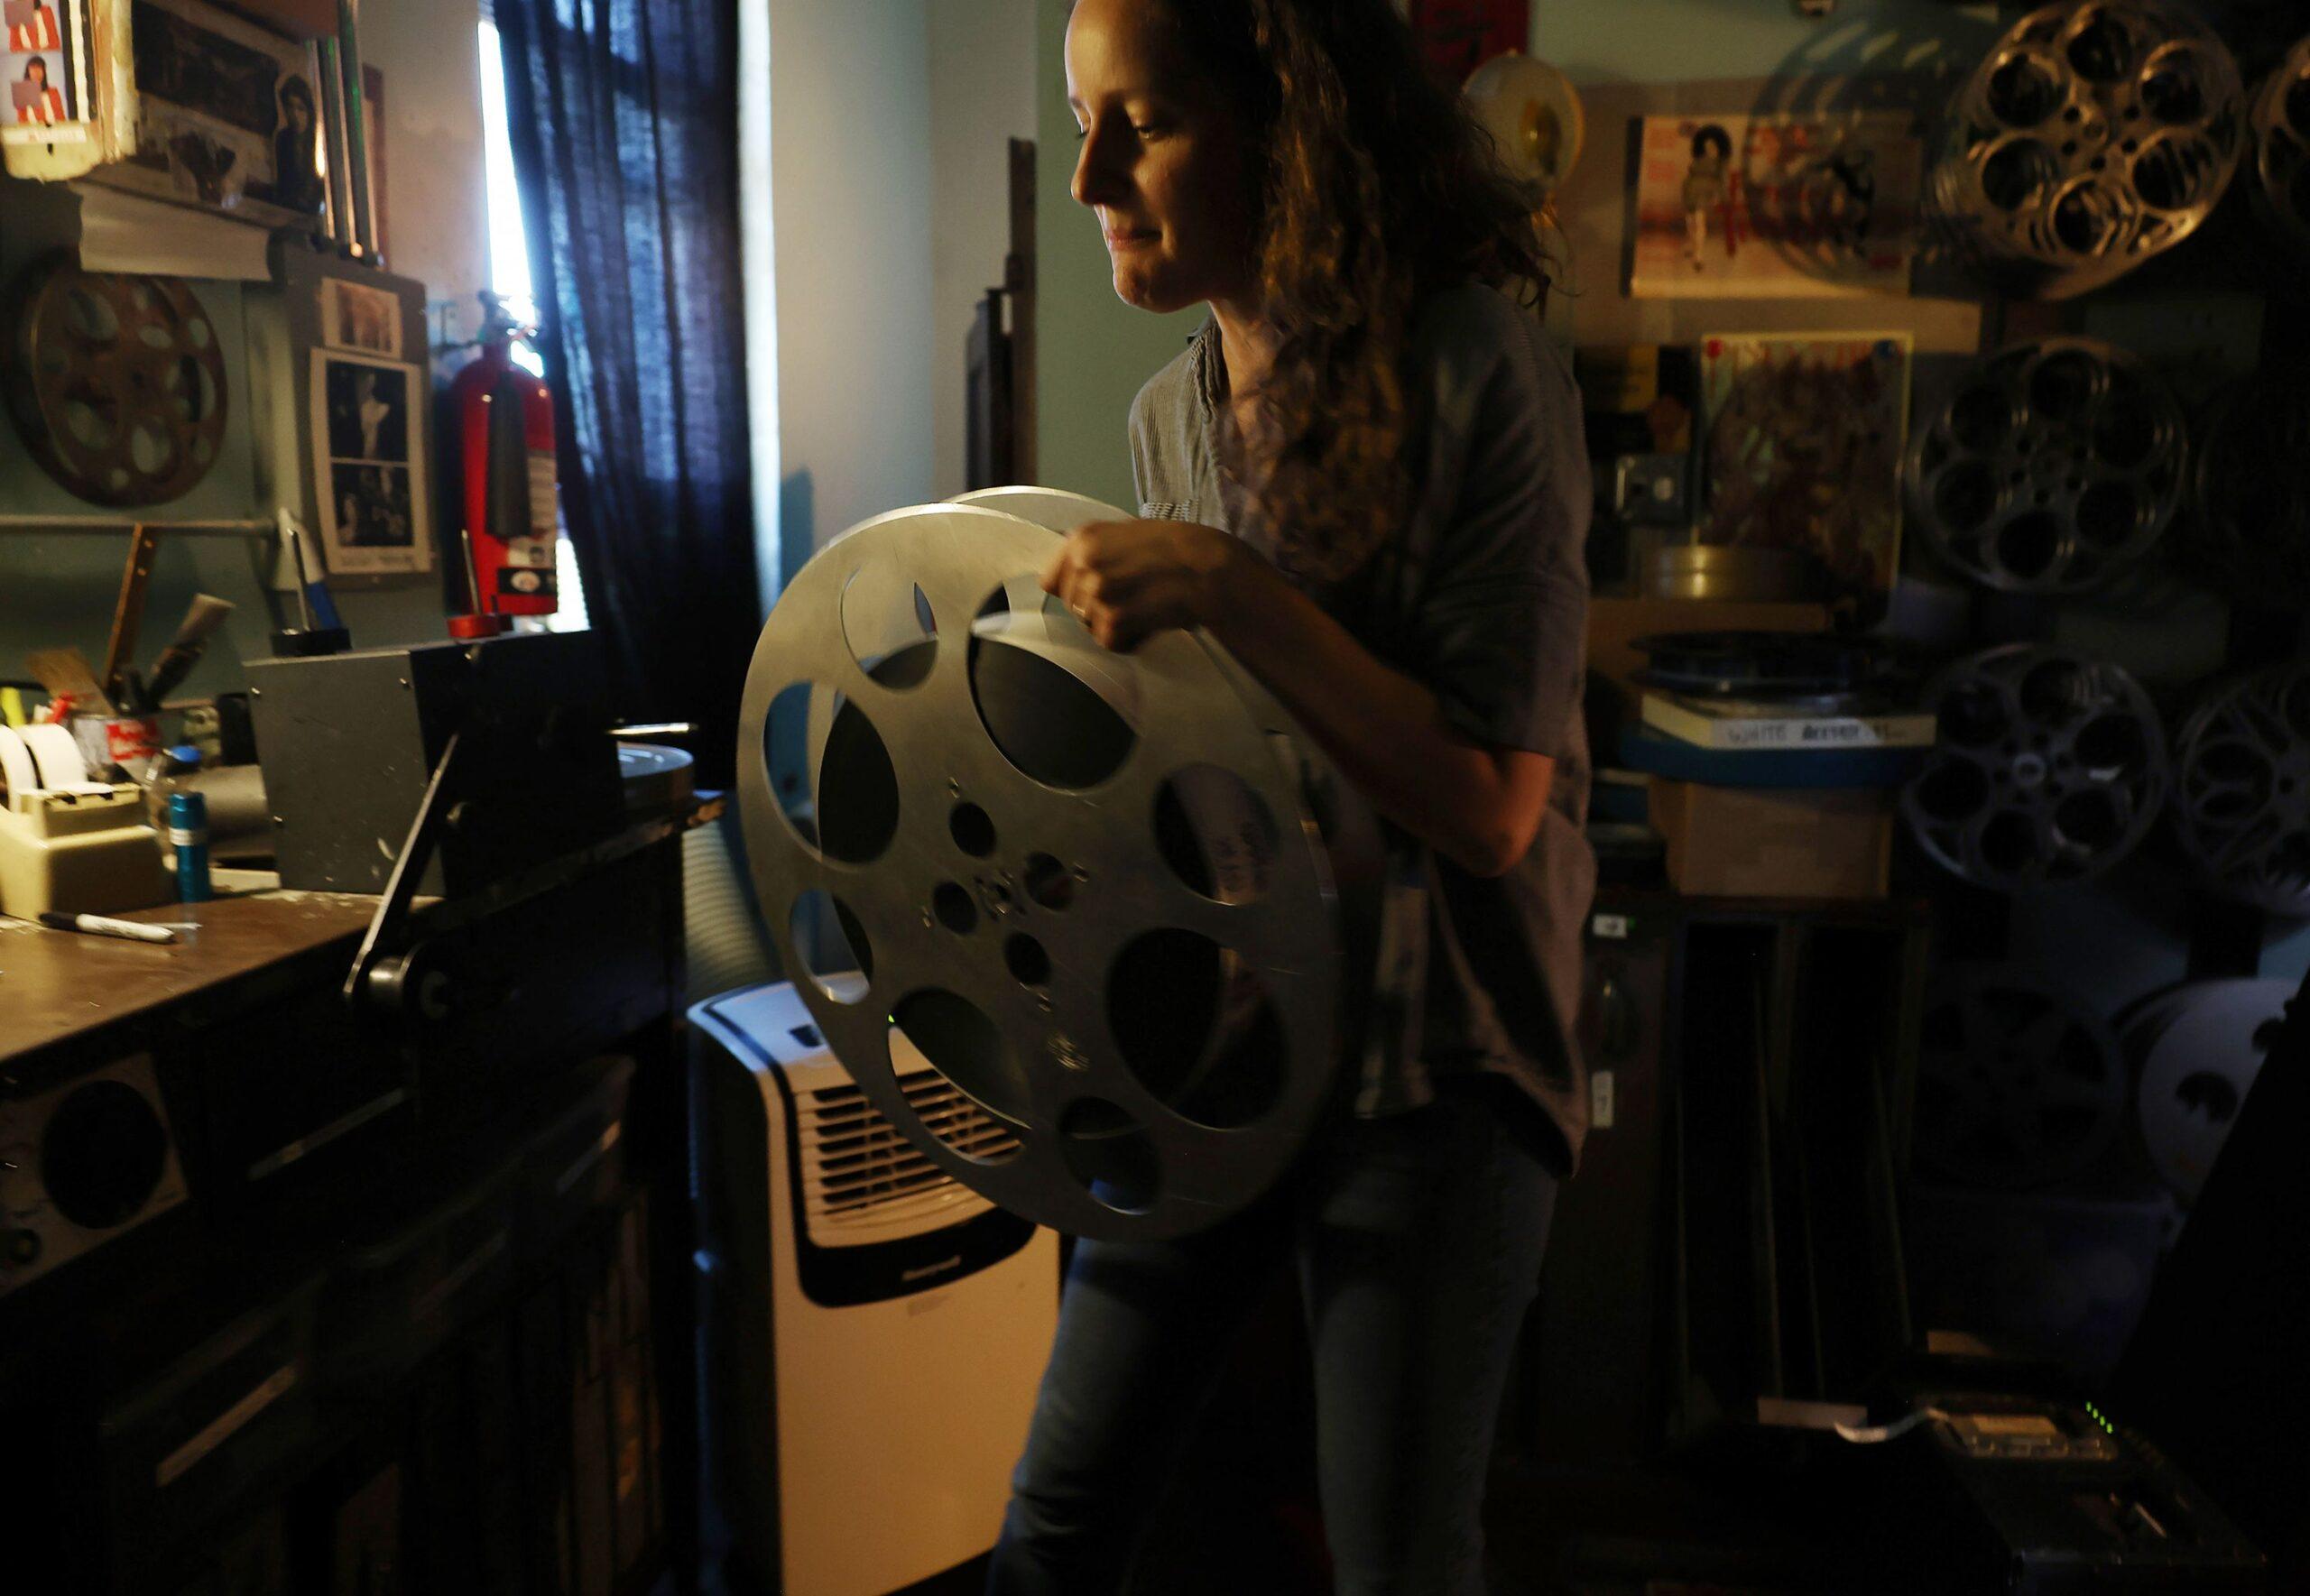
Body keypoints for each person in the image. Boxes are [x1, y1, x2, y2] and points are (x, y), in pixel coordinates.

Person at [991, 1, 1593, 1591]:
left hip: (1442, 1060)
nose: (1091, 179)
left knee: (1395, 1558)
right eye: (1085, 124)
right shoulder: (1170, 414)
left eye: (1145, 125)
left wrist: (1228, 588)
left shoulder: (1474, 363)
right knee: (1058, 1523)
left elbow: (1492, 807)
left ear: (1290, 130)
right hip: (1236, 1047)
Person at [1683, 123, 1732, 265]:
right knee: (1690, 221)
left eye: (1713, 146)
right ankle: (1692, 246)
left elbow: (1723, 180)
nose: (1710, 148)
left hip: (1705, 191)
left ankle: (1698, 256)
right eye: (1708, 145)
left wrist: (1720, 196)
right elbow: (1690, 173)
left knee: (1699, 222)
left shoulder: (1721, 162)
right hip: (1690, 189)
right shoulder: (1698, 158)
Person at [15, 55, 63, 126]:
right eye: (33, 68)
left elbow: (61, 117)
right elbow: (21, 122)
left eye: (39, 67)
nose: (36, 72)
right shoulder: (22, 94)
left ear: (44, 71)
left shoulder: (53, 91)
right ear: (28, 72)